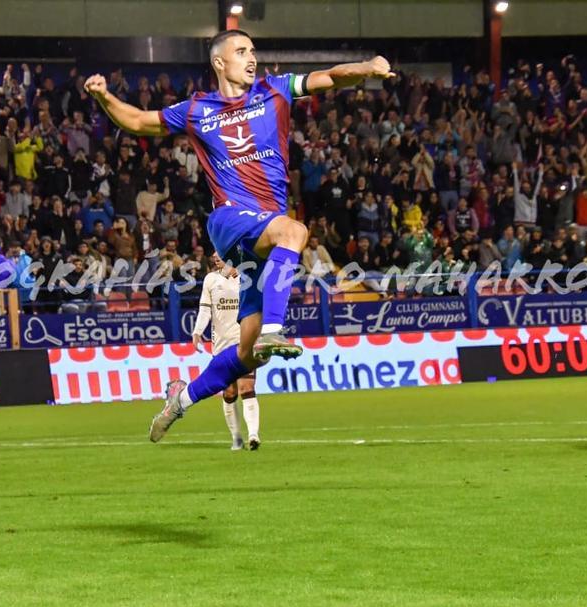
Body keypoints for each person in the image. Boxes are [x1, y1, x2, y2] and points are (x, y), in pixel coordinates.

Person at [84, 29, 394, 442]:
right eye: (242, 51)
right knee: (296, 231)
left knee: (247, 358)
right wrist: (104, 98)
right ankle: (273, 328)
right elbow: (140, 121)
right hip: (230, 220)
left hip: (264, 233)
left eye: (253, 51)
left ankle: (181, 400)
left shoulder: (276, 90)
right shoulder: (197, 109)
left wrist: (368, 68)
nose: (252, 59)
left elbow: (331, 77)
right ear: (219, 62)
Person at [192, 255, 261, 451]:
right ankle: (237, 438)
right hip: (221, 346)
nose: (215, 258)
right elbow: (205, 310)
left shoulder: (248, 278)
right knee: (229, 393)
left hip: (244, 343)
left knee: (247, 388)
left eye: (219, 254)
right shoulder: (210, 280)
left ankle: (254, 435)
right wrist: (197, 332)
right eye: (213, 256)